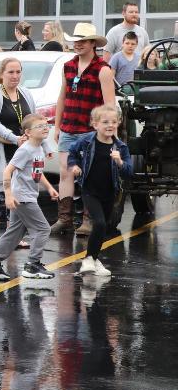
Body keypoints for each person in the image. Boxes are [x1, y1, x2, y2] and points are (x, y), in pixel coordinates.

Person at [52, 23, 114, 236]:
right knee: (65, 172)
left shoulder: (103, 69)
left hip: (90, 131)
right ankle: (65, 218)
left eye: (82, 41)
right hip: (69, 127)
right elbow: (62, 96)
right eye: (75, 41)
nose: (77, 44)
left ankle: (88, 219)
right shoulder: (68, 65)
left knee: (89, 175)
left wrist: (105, 131)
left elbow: (109, 105)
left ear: (93, 44)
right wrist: (57, 125)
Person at [0, 58, 54, 245]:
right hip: (3, 145)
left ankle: (11, 232)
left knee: (18, 189)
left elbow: (35, 121)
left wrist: (45, 146)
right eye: (11, 72)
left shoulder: (25, 93)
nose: (15, 76)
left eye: (18, 72)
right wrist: (14, 138)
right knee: (2, 186)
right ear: (1, 74)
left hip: (24, 148)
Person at [0, 113, 58, 281]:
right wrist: (8, 195)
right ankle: (33, 265)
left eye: (46, 125)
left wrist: (49, 187)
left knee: (14, 233)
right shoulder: (25, 150)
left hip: (26, 195)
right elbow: (7, 171)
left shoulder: (38, 148)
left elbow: (36, 172)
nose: (45, 128)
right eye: (40, 126)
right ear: (28, 132)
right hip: (22, 197)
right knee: (43, 229)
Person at [69, 105, 133, 277]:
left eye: (114, 122)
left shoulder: (121, 147)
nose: (110, 125)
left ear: (119, 123)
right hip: (90, 190)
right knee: (99, 223)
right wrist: (74, 166)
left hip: (109, 192)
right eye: (105, 122)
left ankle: (95, 260)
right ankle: (88, 259)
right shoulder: (87, 142)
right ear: (95, 124)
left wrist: (119, 162)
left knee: (104, 227)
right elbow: (73, 152)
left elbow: (129, 172)